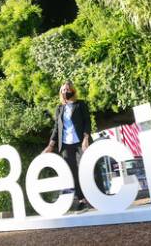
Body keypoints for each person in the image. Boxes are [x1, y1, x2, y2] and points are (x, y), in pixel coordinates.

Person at [43, 81, 91, 210]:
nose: (65, 92)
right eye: (63, 90)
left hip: (80, 142)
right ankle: (82, 200)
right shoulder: (59, 108)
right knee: (72, 173)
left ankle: (93, 196)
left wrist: (86, 139)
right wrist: (50, 145)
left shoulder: (80, 104)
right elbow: (56, 128)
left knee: (85, 169)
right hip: (65, 144)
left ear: (73, 91)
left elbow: (87, 121)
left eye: (67, 89)